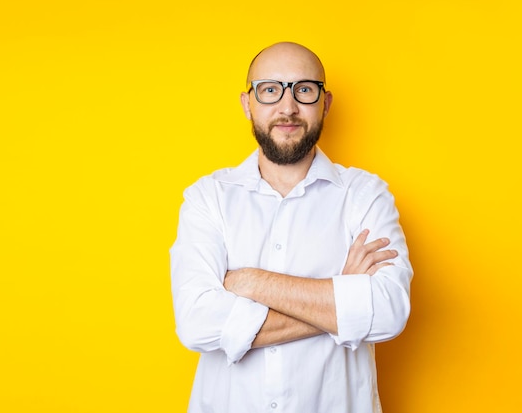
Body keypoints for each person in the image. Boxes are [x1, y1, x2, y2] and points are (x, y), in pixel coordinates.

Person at [170, 41, 413, 413]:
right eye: (270, 90)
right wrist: (342, 300)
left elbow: (387, 311)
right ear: (247, 103)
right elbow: (197, 323)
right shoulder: (208, 198)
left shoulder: (365, 195)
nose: (288, 107)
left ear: (325, 103)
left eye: (304, 90)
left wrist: (252, 282)